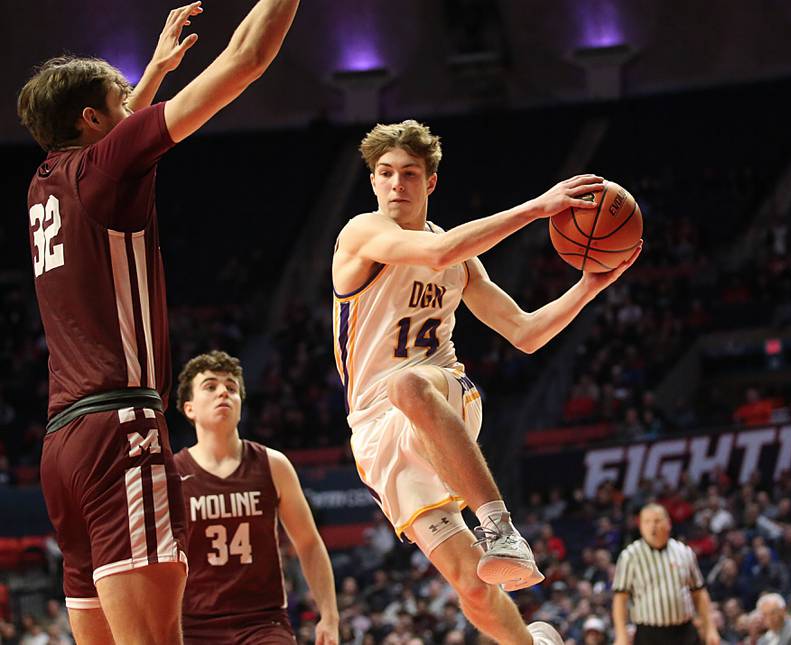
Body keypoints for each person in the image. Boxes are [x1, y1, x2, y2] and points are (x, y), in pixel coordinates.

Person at [18, 1, 300, 642]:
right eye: (120, 103)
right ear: (93, 120)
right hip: (121, 432)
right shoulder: (103, 170)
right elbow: (246, 59)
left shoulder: (43, 183)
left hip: (63, 447)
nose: (134, 110)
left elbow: (113, 140)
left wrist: (148, 74)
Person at [331, 119, 640, 644]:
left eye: (409, 174)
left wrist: (589, 286)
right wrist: (535, 208)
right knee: (471, 583)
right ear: (373, 182)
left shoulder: (459, 259)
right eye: (385, 174)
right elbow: (436, 253)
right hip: (375, 436)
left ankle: (501, 527)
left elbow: (523, 331)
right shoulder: (362, 234)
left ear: (430, 182)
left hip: (442, 393)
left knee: (407, 386)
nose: (396, 185)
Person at [174, 350, 339, 644]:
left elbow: (309, 542)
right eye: (210, 386)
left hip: (263, 622)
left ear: (240, 403)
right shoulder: (172, 474)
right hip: (193, 625)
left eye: (231, 387)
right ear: (189, 408)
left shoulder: (273, 464)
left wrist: (329, 615)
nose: (223, 392)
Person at [612, 503, 720, 645]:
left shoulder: (684, 552)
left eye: (657, 521)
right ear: (641, 527)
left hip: (684, 630)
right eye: (647, 522)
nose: (652, 526)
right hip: (649, 633)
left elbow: (699, 593)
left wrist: (710, 628)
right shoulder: (629, 556)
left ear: (668, 523)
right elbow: (620, 599)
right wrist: (621, 635)